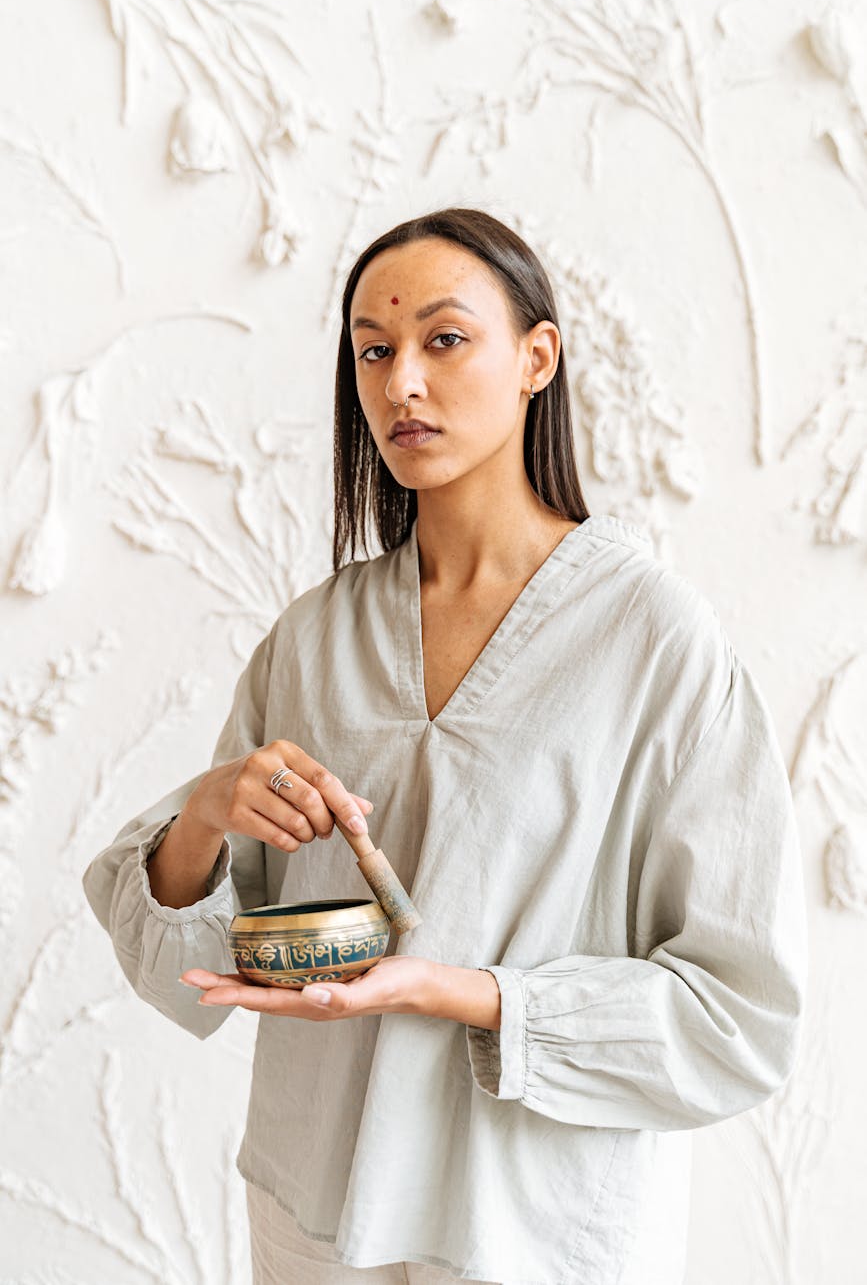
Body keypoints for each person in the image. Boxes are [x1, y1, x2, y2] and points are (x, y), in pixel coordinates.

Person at [82, 206, 808, 1285]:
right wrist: (205, 808)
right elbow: (201, 953)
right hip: (314, 1217)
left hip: (534, 1230)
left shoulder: (655, 641)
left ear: (536, 358)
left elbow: (739, 1014)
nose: (400, 382)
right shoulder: (316, 636)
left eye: (443, 338)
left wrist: (456, 989)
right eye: (373, 350)